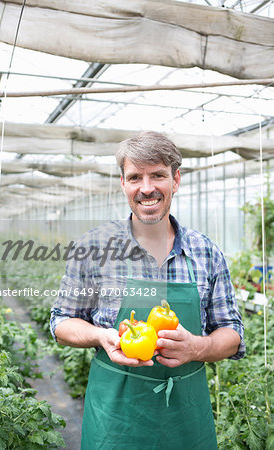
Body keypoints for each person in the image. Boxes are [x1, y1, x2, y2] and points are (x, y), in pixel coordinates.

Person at [50, 131, 245, 450]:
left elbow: (232, 333)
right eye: (135, 177)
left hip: (187, 420)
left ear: (176, 179)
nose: (147, 188)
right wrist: (102, 336)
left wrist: (197, 347)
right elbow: (61, 322)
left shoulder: (206, 252)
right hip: (114, 421)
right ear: (123, 184)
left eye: (158, 175)